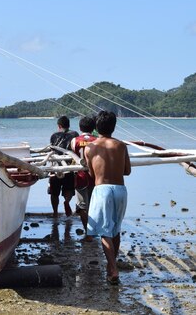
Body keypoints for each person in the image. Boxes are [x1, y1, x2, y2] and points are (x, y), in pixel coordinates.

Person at [84, 111, 131, 285]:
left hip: (102, 189)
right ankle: (112, 266)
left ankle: (112, 268)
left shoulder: (89, 147)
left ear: (97, 127)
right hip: (120, 189)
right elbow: (127, 171)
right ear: (114, 126)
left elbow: (90, 173)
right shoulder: (121, 145)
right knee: (115, 229)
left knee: (104, 231)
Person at [70, 116, 97, 240]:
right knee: (94, 204)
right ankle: (95, 230)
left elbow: (72, 156)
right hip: (95, 176)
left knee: (82, 205)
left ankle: (88, 232)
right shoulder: (97, 140)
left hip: (80, 176)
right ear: (93, 128)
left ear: (80, 128)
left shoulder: (74, 140)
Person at [48, 116, 79, 217]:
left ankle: (55, 212)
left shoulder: (54, 135)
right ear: (68, 125)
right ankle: (67, 202)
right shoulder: (74, 134)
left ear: (59, 126)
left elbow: (51, 151)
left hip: (55, 168)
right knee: (69, 189)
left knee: (54, 193)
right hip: (69, 167)